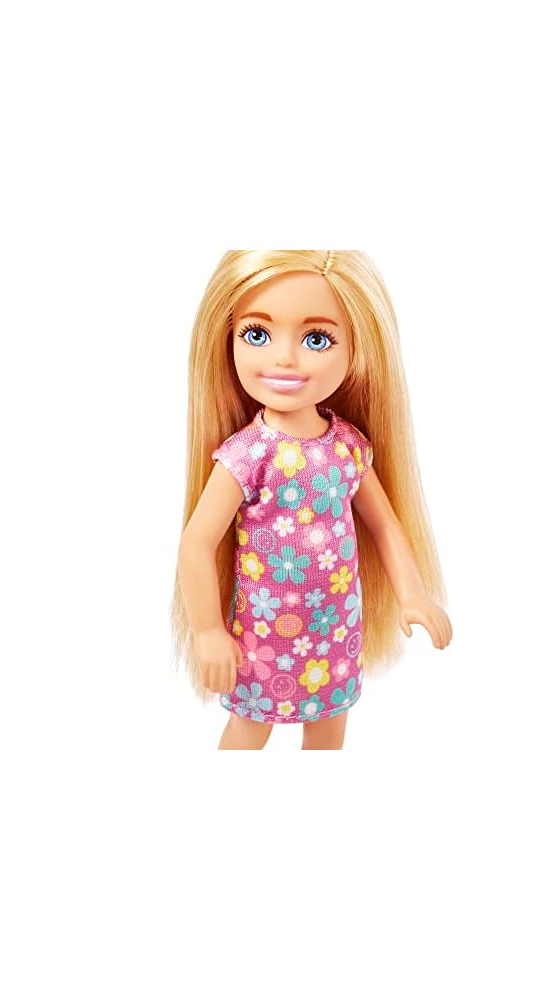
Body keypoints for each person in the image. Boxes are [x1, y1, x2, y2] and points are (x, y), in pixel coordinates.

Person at [172, 251, 452, 749]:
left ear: (356, 348)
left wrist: (413, 594)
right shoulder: (248, 455)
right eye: (257, 334)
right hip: (262, 637)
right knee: (250, 727)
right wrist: (208, 631)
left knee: (328, 727)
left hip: (334, 631)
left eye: (316, 339)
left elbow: (384, 524)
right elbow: (197, 543)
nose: (284, 358)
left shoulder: (347, 446)